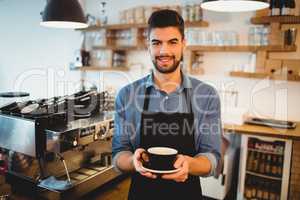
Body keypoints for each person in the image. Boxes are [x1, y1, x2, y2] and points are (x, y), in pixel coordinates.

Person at [112, 9, 222, 200]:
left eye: (172, 42)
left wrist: (190, 164)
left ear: (183, 45)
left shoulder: (206, 95)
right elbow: (118, 155)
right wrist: (133, 161)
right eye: (156, 43)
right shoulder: (127, 95)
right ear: (148, 46)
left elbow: (212, 159)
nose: (164, 51)